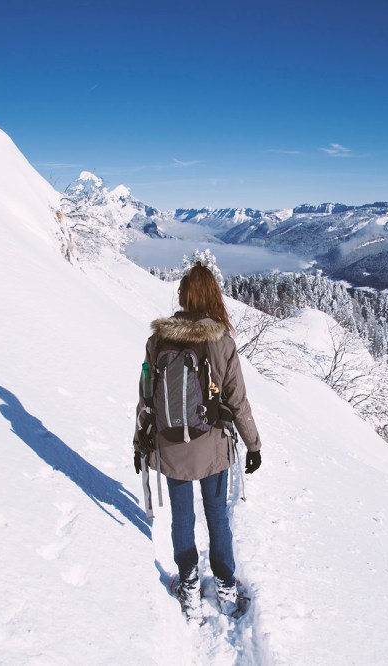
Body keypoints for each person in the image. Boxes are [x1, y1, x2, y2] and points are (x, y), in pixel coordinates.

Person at [133, 264, 262, 620]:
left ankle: (189, 584)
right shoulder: (221, 342)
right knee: (217, 516)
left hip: (170, 445)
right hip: (212, 447)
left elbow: (146, 395)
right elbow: (237, 400)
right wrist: (253, 444)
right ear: (212, 297)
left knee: (182, 516)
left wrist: (138, 442)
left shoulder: (157, 340)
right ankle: (224, 586)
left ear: (183, 297)